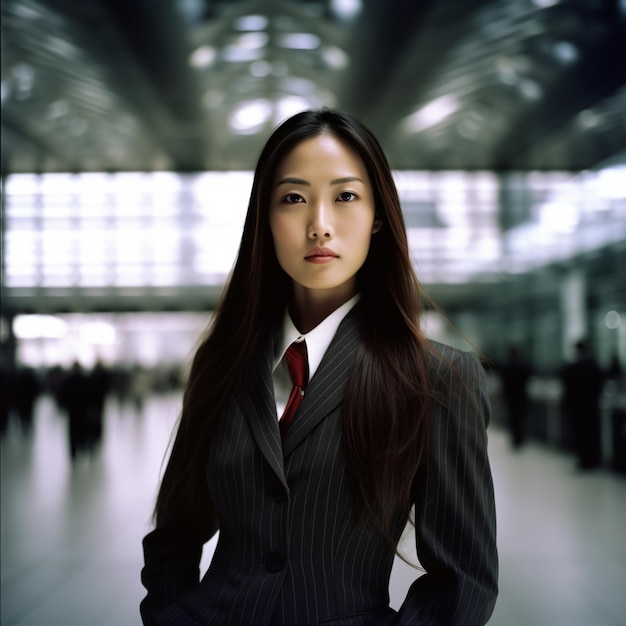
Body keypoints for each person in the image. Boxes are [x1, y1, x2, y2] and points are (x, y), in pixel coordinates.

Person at [140, 109, 498, 625]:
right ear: (265, 219)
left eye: (346, 196)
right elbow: (174, 535)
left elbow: (464, 582)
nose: (319, 225)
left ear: (378, 214)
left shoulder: (438, 378)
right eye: (293, 199)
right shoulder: (223, 363)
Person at [562, 339, 605, 470]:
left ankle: (583, 459)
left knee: (580, 434)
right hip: (591, 407)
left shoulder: (571, 368)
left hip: (577, 408)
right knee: (592, 433)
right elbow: (600, 385)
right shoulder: (593, 366)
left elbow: (567, 390)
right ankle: (592, 459)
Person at [499, 345, 532, 449]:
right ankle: (520, 438)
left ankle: (515, 438)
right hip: (522, 395)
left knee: (513, 418)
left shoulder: (506, 366)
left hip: (510, 396)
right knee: (521, 417)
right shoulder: (524, 365)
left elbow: (503, 382)